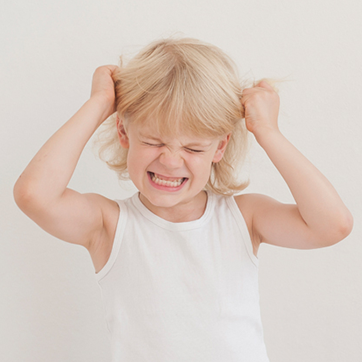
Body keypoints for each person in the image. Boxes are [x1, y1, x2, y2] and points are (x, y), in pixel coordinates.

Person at [13, 37, 353, 362]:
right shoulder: (109, 225)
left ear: (219, 147)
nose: (171, 161)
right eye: (154, 141)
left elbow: (332, 226)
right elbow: (34, 195)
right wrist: (99, 103)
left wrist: (268, 132)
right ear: (122, 132)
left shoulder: (244, 216)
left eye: (193, 148)